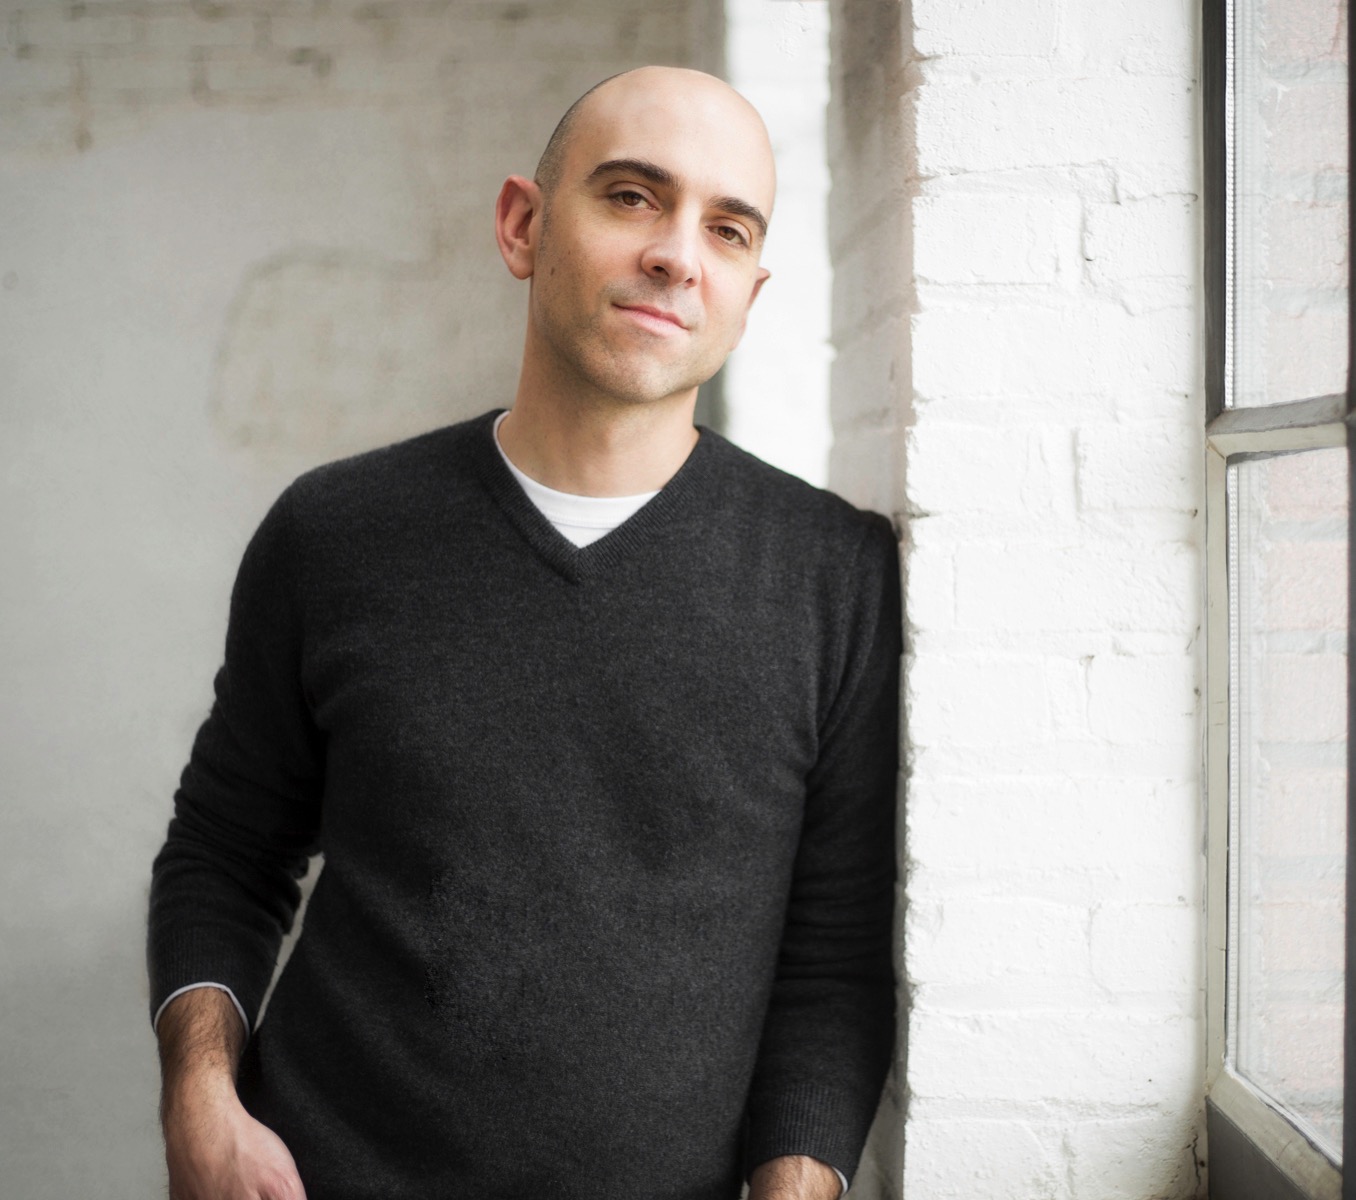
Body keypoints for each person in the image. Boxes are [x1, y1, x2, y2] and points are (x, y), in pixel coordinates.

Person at [148, 65, 901, 1200]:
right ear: (523, 226)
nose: (676, 254)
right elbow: (226, 853)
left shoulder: (833, 576)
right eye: (633, 196)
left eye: (727, 228)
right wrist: (201, 1102)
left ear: (749, 293)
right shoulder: (334, 534)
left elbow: (833, 960)